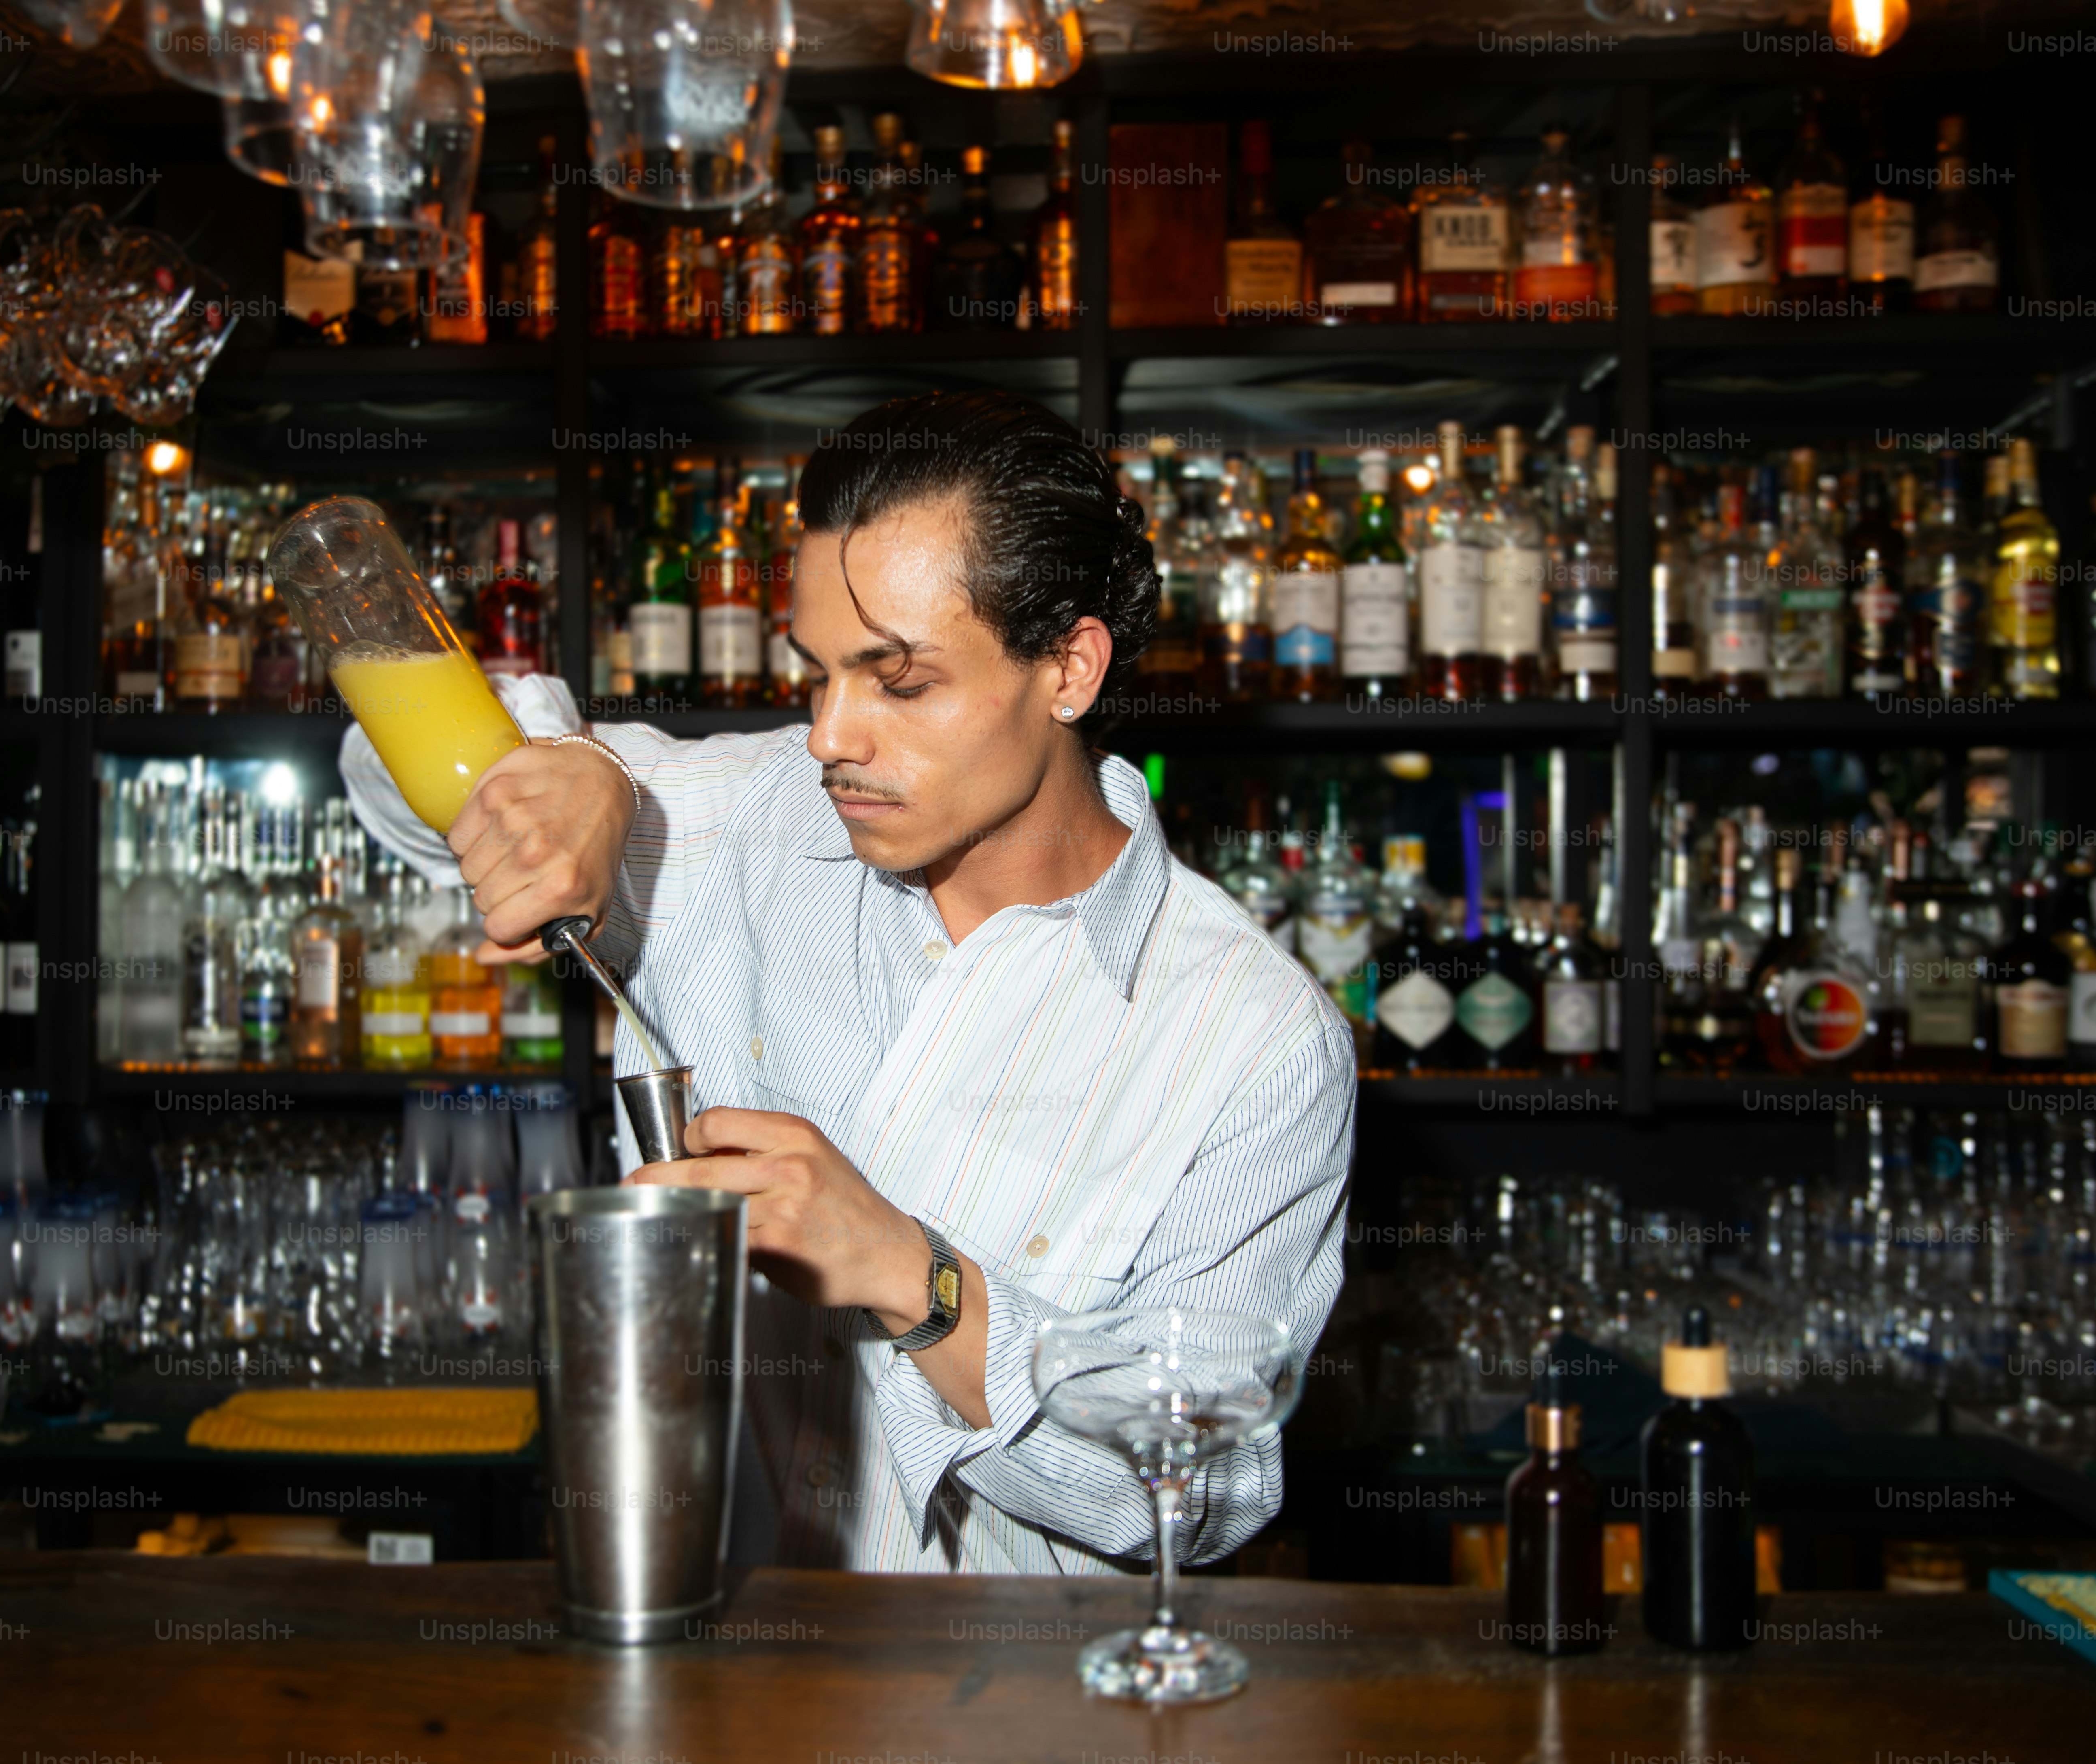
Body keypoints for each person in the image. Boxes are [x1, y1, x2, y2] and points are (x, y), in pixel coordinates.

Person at [344, 391, 1352, 1573]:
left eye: (900, 682)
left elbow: (1206, 1492)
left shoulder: (1254, 1036)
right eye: (814, 674)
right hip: (696, 1660)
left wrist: (907, 1276)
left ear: (1070, 669)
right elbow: (394, 779)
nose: (830, 735)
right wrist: (575, 770)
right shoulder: (715, 829)